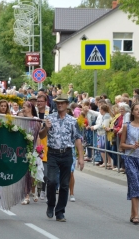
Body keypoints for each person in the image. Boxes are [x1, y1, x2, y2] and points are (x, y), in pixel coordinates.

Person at [39, 94, 84, 222]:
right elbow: (42, 135)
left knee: (64, 184)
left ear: (67, 105)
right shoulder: (50, 118)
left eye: (62, 103)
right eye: (58, 103)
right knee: (52, 181)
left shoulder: (73, 121)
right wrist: (46, 128)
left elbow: (77, 139)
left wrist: (81, 157)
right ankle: (51, 204)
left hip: (67, 153)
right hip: (53, 153)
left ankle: (60, 212)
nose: (60, 105)